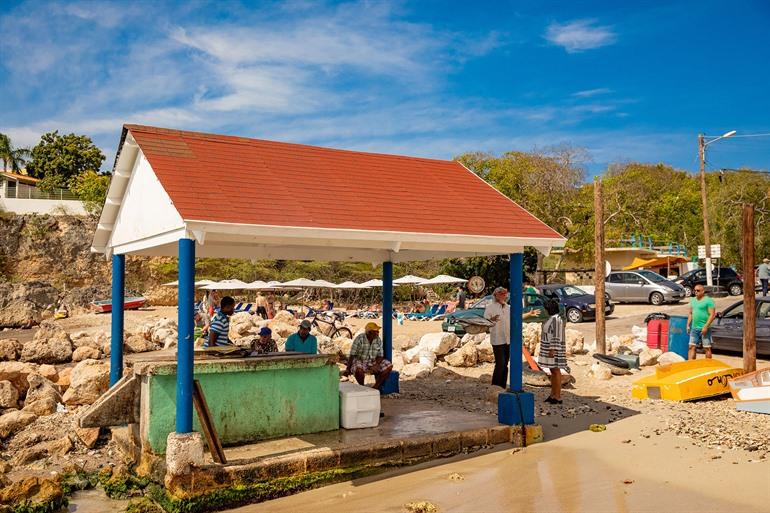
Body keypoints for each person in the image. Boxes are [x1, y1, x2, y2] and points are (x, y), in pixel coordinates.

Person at [538, 299, 568, 404]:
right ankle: (553, 394)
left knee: (556, 371)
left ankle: (558, 396)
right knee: (552, 371)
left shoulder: (556, 320)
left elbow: (556, 335)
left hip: (554, 349)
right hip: (548, 347)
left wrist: (552, 349)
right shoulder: (552, 319)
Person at [346, 322, 392, 390]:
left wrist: (376, 364)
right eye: (376, 331)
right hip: (360, 360)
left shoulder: (378, 340)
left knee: (389, 366)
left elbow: (380, 355)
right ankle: (362, 387)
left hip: (373, 361)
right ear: (369, 332)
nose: (378, 333)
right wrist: (348, 368)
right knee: (359, 370)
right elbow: (352, 354)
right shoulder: (359, 339)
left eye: (378, 331)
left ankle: (376, 387)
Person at [484, 287, 511, 388]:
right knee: (500, 363)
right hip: (497, 339)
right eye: (500, 293)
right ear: (495, 295)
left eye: (504, 293)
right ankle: (495, 386)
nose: (503, 295)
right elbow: (485, 321)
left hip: (508, 339)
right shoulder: (490, 307)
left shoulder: (508, 307)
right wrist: (492, 319)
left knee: (505, 364)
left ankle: (502, 386)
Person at [687, 285, 716, 360]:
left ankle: (708, 366)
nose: (696, 292)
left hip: (705, 328)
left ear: (703, 291)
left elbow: (712, 315)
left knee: (707, 348)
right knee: (691, 347)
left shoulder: (709, 301)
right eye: (695, 290)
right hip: (694, 328)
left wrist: (706, 326)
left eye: (698, 290)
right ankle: (691, 365)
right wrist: (688, 325)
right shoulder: (693, 300)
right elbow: (690, 313)